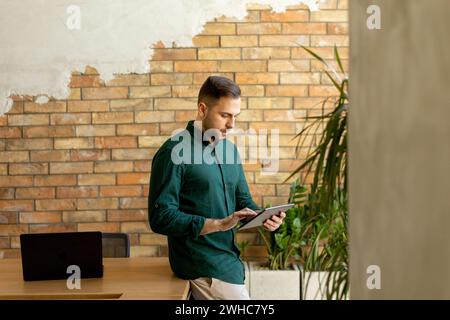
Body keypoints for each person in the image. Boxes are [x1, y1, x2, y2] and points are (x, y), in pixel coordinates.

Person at [148, 76, 286, 300]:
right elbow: (160, 216)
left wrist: (265, 219)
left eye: (235, 117)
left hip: (230, 265)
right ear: (203, 109)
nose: (232, 125)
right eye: (225, 115)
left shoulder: (230, 151)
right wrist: (218, 224)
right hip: (202, 269)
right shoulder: (173, 153)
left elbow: (244, 203)